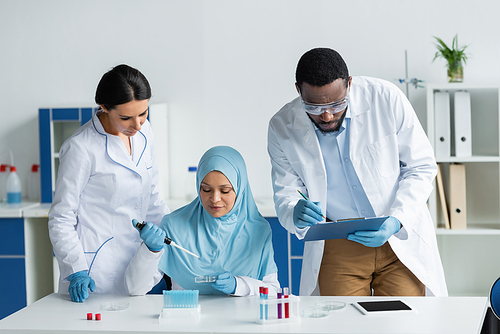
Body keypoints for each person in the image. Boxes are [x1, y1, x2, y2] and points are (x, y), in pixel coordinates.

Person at [267, 47, 447, 297]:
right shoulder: (282, 126)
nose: (327, 115)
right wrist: (293, 209)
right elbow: (286, 191)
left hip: (397, 237)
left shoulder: (385, 98)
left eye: (337, 104)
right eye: (315, 107)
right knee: (344, 324)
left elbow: (421, 166)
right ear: (298, 90)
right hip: (339, 244)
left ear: (349, 84)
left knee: (404, 323)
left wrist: (396, 220)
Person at [48, 64, 169, 302]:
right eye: (126, 117)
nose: (137, 125)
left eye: (143, 113)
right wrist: (76, 270)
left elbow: (153, 196)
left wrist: (168, 239)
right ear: (103, 107)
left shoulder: (145, 133)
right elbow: (61, 217)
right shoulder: (81, 148)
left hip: (144, 262)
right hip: (100, 270)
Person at [125, 146, 280, 296]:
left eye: (225, 191)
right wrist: (151, 250)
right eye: (206, 190)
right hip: (185, 318)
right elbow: (135, 289)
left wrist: (238, 285)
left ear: (240, 188)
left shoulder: (258, 230)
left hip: (240, 321)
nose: (215, 199)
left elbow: (273, 291)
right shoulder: (174, 225)